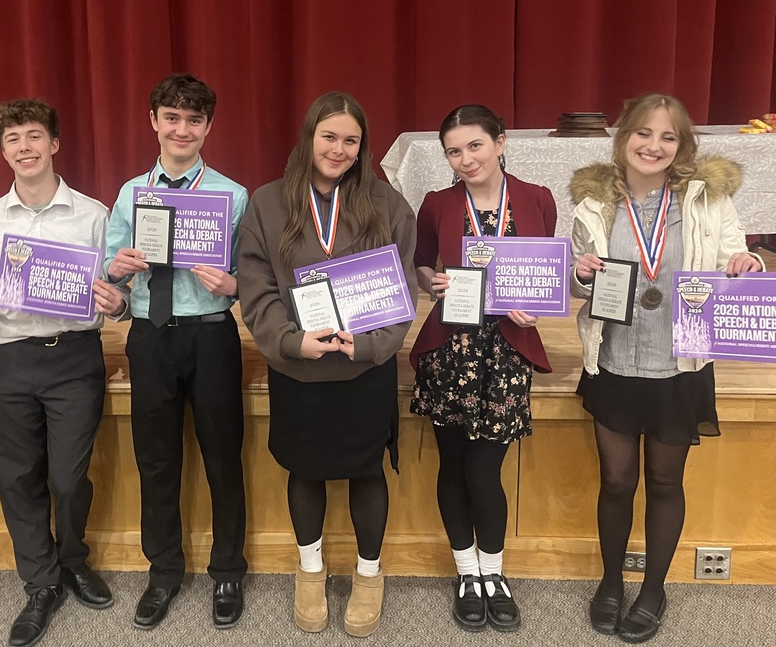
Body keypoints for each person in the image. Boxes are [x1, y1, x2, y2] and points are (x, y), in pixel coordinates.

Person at [0, 99, 127, 647]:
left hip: (76, 356)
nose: (24, 147)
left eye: (34, 136)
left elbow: (118, 295)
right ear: (3, 150)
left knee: (67, 477)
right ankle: (40, 584)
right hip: (12, 355)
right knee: (17, 477)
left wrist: (117, 304)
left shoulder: (93, 214)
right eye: (13, 139)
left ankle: (73, 559)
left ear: (55, 143)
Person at [569, 93, 762, 643]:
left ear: (682, 146)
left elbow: (735, 261)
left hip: (681, 360)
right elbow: (581, 283)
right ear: (623, 138)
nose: (654, 146)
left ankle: (653, 588)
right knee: (615, 478)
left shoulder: (707, 199)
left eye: (668, 137)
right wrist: (582, 272)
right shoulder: (592, 203)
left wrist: (745, 263)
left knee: (663, 479)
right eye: (643, 134)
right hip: (614, 358)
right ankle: (610, 582)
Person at [238, 91, 417, 638]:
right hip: (299, 367)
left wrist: (365, 346)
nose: (338, 149)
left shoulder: (388, 205)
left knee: (367, 470)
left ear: (363, 147)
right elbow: (256, 287)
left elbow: (403, 288)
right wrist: (291, 341)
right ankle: (310, 570)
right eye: (329, 136)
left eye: (351, 140)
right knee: (305, 469)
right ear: (309, 136)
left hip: (363, 369)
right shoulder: (267, 203)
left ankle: (369, 574)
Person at [104, 73, 248, 630]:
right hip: (150, 336)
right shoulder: (129, 193)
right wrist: (116, 267)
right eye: (172, 117)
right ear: (154, 122)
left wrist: (231, 285)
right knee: (156, 458)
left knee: (222, 454)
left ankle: (228, 568)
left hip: (211, 334)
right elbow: (108, 269)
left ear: (208, 126)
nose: (182, 129)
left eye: (194, 120)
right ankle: (162, 571)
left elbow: (250, 274)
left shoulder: (232, 196)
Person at [409, 104, 556, 633]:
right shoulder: (437, 203)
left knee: (484, 471)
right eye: (454, 150)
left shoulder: (538, 199)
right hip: (453, 351)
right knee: (452, 467)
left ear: (500, 142)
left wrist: (535, 301)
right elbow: (423, 262)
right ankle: (466, 572)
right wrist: (432, 282)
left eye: (475, 145)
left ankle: (494, 573)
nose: (465, 159)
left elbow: (547, 270)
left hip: (507, 352)